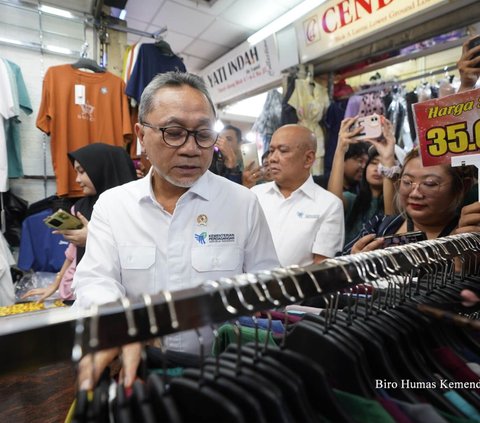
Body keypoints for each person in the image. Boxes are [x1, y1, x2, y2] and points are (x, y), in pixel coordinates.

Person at [73, 71, 279, 389]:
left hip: (225, 376)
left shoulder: (242, 203)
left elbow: (266, 289)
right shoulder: (113, 207)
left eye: (203, 134)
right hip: (140, 375)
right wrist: (117, 322)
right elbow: (96, 281)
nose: (190, 149)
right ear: (141, 135)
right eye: (173, 132)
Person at [22, 143, 137, 303]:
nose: (77, 180)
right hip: (79, 294)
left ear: (102, 170)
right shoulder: (80, 207)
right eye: (76, 172)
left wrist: (93, 238)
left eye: (83, 172)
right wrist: (55, 285)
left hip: (119, 298)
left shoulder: (133, 209)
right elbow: (71, 253)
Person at [344, 147, 475, 254]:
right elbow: (334, 269)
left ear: (462, 187)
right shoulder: (380, 226)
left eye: (429, 183)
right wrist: (353, 262)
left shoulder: (470, 235)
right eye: (407, 182)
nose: (415, 193)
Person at [251, 124, 344, 266]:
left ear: (308, 159)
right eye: (271, 151)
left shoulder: (329, 205)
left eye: (282, 151)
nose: (272, 159)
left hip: (297, 287)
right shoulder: (255, 194)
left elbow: (321, 266)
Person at [328, 116, 398, 243]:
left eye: (383, 165)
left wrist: (388, 159)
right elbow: (332, 203)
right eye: (374, 162)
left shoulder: (398, 205)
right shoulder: (352, 200)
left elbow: (391, 219)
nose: (378, 169)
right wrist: (340, 149)